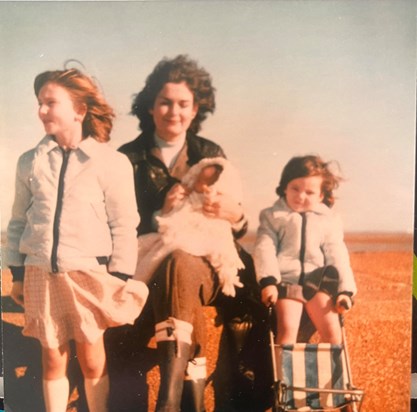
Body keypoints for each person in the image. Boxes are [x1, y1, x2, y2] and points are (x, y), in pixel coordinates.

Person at [6, 67, 149, 412]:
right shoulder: (31, 162)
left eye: (50, 102)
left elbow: (125, 224)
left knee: (92, 360)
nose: (41, 110)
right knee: (53, 360)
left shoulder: (111, 163)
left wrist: (118, 276)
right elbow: (17, 221)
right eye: (39, 103)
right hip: (41, 272)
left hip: (88, 274)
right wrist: (18, 272)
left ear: (80, 110)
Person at [119, 55, 251, 412]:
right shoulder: (127, 158)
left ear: (196, 110)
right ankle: (184, 402)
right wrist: (157, 214)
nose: (173, 111)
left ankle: (168, 401)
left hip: (206, 267)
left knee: (180, 263)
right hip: (147, 264)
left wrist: (234, 215)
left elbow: (237, 227)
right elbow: (113, 224)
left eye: (183, 104)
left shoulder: (211, 155)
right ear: (150, 106)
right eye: (165, 102)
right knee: (176, 273)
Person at [253, 155, 357, 345]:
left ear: (321, 196)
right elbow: (264, 248)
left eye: (309, 192)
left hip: (317, 283)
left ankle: (332, 373)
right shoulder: (273, 216)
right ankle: (286, 374)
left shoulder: (328, 220)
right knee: (287, 330)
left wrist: (345, 291)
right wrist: (268, 281)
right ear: (285, 187)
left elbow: (337, 254)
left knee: (333, 332)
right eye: (295, 188)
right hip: (286, 282)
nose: (301, 196)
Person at [134, 156, 244, 297]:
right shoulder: (133, 156)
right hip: (166, 238)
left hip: (199, 253)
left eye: (209, 183)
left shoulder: (209, 152)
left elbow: (234, 230)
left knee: (178, 261)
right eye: (199, 181)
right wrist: (166, 209)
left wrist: (237, 216)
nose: (204, 186)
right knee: (140, 250)